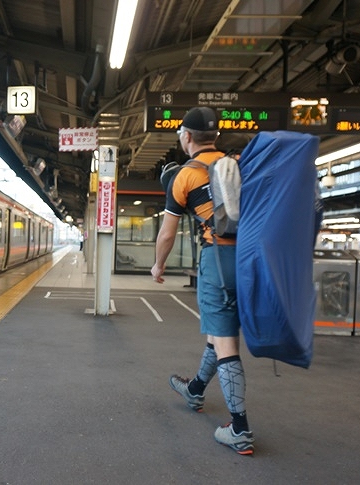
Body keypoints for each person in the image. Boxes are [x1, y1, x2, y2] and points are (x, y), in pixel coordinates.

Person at [151, 106, 254, 455]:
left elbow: (167, 234)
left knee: (225, 341)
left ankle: (239, 428)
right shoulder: (237, 165)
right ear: (217, 137)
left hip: (219, 259)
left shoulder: (185, 175)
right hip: (251, 259)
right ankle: (195, 389)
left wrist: (157, 266)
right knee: (218, 330)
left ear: (187, 137)